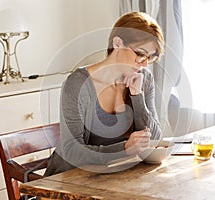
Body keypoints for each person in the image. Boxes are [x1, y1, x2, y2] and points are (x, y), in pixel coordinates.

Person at [44, 11, 165, 176]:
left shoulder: (144, 79)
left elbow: (155, 138)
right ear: (117, 44)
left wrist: (137, 96)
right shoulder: (78, 84)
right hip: (68, 180)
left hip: (113, 176)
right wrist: (124, 149)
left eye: (150, 58)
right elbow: (72, 151)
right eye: (139, 54)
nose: (144, 64)